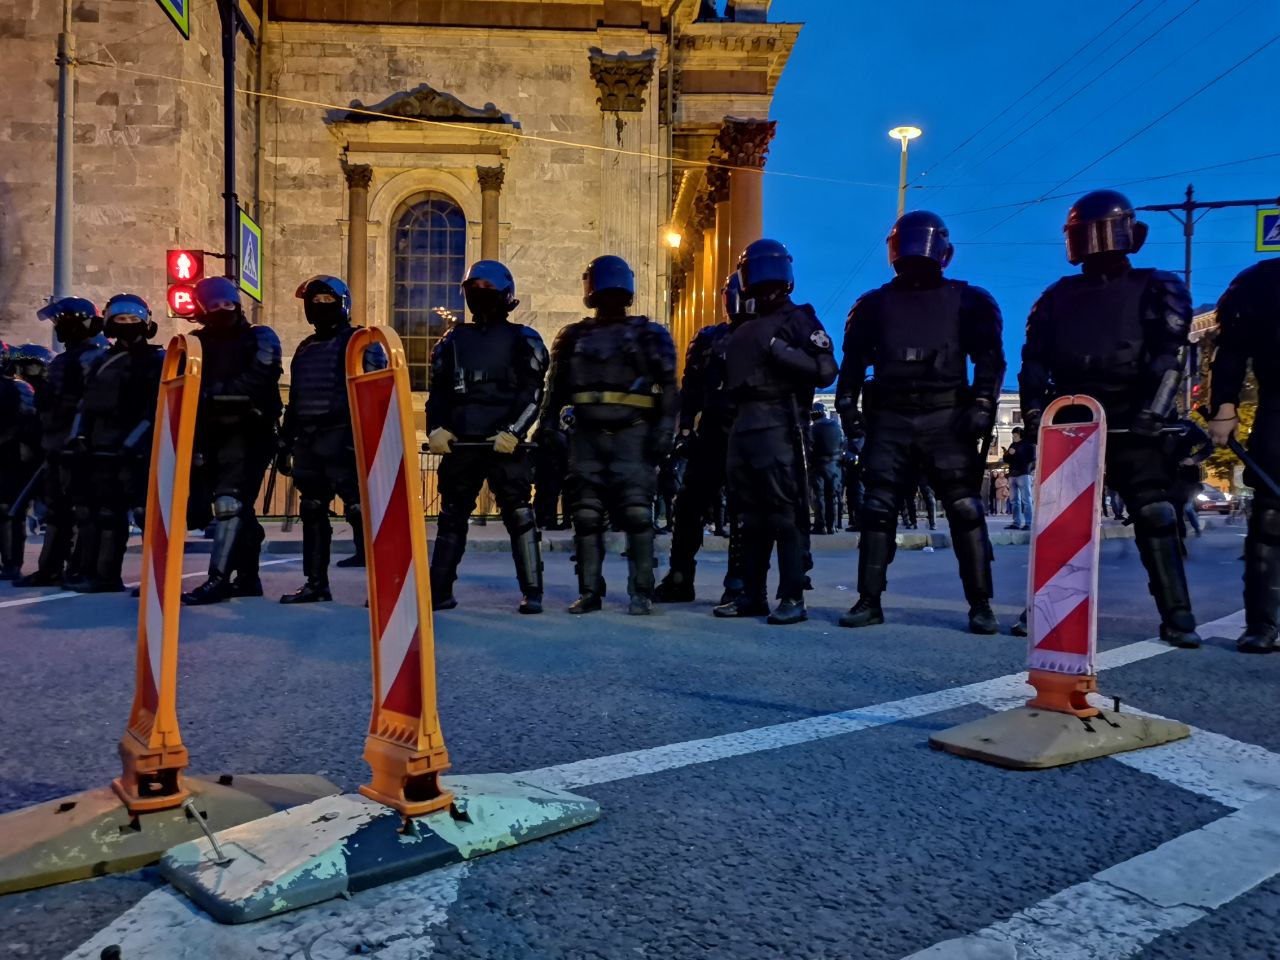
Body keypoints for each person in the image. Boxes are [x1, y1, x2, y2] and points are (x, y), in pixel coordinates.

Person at [1021, 189, 1200, 648]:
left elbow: (1169, 357)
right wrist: (1037, 417)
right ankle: (1048, 608)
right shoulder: (1056, 297)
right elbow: (1034, 363)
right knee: (1063, 522)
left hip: (1134, 415)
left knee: (1155, 514)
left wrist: (1154, 411)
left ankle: (1177, 615)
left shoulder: (1157, 286)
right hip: (1074, 417)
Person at [836, 211, 1005, 634]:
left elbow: (990, 358)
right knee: (877, 511)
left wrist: (983, 402)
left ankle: (981, 604)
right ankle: (869, 599)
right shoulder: (874, 305)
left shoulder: (969, 300)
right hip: (892, 415)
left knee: (965, 510)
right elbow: (852, 364)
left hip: (945, 415)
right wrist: (848, 411)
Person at [539, 255, 677, 615]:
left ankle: (639, 591)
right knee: (587, 516)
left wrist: (665, 428)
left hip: (631, 434)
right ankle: (593, 590)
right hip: (589, 436)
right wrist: (548, 424)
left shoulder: (649, 335)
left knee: (634, 514)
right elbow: (554, 389)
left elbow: (669, 387)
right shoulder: (574, 336)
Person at [713, 239, 837, 625]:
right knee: (748, 517)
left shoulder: (798, 319)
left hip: (780, 421)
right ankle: (752, 594)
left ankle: (792, 595)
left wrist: (779, 350)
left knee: (784, 514)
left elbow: (825, 370)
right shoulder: (742, 329)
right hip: (745, 426)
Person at [426, 260, 549, 614]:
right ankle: (440, 590)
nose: (480, 298)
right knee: (452, 516)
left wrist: (514, 431)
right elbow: (439, 392)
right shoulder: (453, 340)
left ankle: (532, 591)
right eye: (474, 291)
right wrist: (437, 426)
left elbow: (533, 393)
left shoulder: (523, 338)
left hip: (504, 443)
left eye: (487, 293)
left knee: (519, 515)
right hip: (462, 441)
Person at [277, 276, 386, 604]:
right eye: (316, 301)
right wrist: (284, 442)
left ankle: (381, 587)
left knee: (359, 511)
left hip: (346, 439)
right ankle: (315, 584)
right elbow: (295, 401)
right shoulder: (305, 348)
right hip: (309, 442)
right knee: (311, 509)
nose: (321, 306)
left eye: (327, 300)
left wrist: (367, 440)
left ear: (342, 304)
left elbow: (376, 396)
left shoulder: (362, 342)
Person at [182, 276, 283, 605]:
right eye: (214, 306)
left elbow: (259, 378)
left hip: (248, 433)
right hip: (209, 435)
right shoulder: (196, 344)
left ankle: (219, 580)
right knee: (238, 511)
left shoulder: (259, 338)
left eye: (228, 304)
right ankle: (249, 578)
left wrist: (215, 394)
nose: (223, 310)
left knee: (230, 505)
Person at [656, 273, 748, 604]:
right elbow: (691, 388)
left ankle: (735, 579)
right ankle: (683, 576)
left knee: (739, 511)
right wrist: (684, 430)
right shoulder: (710, 338)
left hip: (742, 432)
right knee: (690, 507)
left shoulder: (754, 334)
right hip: (714, 433)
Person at [65, 294, 164, 593]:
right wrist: (78, 436)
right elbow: (85, 404)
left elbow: (156, 407)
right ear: (109, 324)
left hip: (140, 447)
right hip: (101, 445)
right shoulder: (99, 361)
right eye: (120, 321)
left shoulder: (157, 360)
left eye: (134, 321)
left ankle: (155, 580)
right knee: (104, 513)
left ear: (146, 325)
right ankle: (102, 575)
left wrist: (134, 442)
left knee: (146, 515)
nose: (127, 326)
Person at [1208, 257, 1280, 653]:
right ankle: (1262, 624)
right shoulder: (1263, 281)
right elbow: (1232, 349)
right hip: (1278, 406)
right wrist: (1224, 406)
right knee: (1270, 517)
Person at [16, 298, 108, 587]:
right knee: (57, 510)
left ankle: (81, 567)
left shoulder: (93, 357)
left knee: (84, 508)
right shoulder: (70, 358)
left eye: (61, 322)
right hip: (57, 443)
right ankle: (52, 568)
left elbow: (88, 404)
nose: (58, 328)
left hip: (80, 444)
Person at [0, 343, 39, 579]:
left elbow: (28, 422)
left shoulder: (19, 389)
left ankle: (12, 563)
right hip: (10, 455)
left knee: (8, 510)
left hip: (10, 457)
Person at [533, 406, 572, 531]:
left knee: (548, 495)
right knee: (555, 495)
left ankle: (546, 521)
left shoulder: (541, 433)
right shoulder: (559, 433)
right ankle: (554, 521)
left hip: (549, 468)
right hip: (557, 468)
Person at [809, 401, 844, 535]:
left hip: (818, 465)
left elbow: (808, 447)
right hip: (835, 466)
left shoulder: (813, 429)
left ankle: (821, 525)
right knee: (833, 496)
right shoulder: (836, 426)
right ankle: (832, 526)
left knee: (820, 496)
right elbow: (842, 443)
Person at [1003, 426, 1036, 530]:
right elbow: (1007, 459)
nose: (1014, 437)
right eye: (1013, 436)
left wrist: (1016, 453)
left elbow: (1031, 459)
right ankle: (1016, 522)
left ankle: (1028, 523)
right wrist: (1007, 454)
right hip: (1012, 474)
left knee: (1026, 500)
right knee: (1014, 500)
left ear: (1021, 434)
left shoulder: (1029, 445)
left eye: (1015, 435)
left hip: (1024, 474)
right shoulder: (1013, 444)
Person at [841, 433, 863, 532]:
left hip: (851, 470)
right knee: (857, 495)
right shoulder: (863, 439)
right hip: (858, 471)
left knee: (854, 496)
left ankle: (854, 520)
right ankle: (855, 519)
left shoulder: (849, 441)